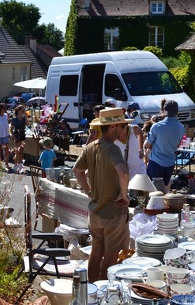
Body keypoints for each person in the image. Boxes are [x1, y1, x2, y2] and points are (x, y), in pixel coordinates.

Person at [72, 108, 132, 282]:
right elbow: (123, 173)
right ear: (112, 127)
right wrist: (124, 195)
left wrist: (88, 191)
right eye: (122, 126)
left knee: (96, 251)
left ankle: (91, 290)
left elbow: (77, 170)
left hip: (95, 212)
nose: (124, 131)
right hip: (112, 212)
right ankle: (103, 292)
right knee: (111, 256)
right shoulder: (112, 149)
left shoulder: (91, 146)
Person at [145, 100, 185, 193]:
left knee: (153, 191)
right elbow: (178, 145)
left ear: (163, 110)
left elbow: (148, 145)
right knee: (165, 189)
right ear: (177, 111)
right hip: (170, 162)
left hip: (156, 162)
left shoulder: (156, 126)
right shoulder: (181, 127)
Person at [0, 103, 11, 170]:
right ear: (0, 109)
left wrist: (9, 133)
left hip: (5, 134)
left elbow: (7, 125)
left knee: (6, 148)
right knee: (0, 150)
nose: (5, 110)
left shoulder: (6, 116)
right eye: (4, 109)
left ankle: (6, 163)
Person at [11, 104, 28, 173]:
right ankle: (15, 164)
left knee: (21, 150)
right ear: (18, 111)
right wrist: (14, 137)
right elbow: (11, 129)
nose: (23, 112)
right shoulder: (14, 119)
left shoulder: (23, 118)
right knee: (17, 150)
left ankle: (20, 163)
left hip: (22, 133)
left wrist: (26, 117)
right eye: (22, 110)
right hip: (17, 134)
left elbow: (28, 124)